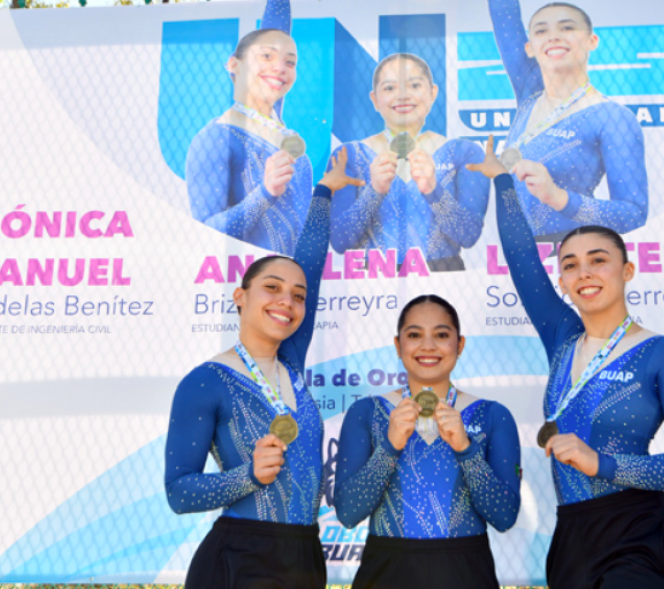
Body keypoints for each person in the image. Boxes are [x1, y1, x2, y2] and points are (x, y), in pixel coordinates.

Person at [467, 137, 664, 589]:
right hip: (573, 538)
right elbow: (521, 258)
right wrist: (502, 181)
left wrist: (602, 463)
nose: (584, 273)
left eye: (598, 261)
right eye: (571, 265)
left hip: (638, 534)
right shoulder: (562, 337)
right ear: (562, 280)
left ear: (627, 270)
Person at [164, 150, 363, 589]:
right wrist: (247, 476)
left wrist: (324, 191)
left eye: (297, 296)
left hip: (305, 556)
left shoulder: (290, 363)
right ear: (241, 296)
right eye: (272, 288)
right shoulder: (206, 381)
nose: (286, 302)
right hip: (240, 557)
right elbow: (179, 491)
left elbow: (310, 264)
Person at [334, 295, 521, 589]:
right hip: (387, 571)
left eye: (442, 335)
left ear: (460, 344)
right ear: (398, 346)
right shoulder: (367, 412)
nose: (428, 346)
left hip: (465, 572)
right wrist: (389, 447)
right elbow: (348, 512)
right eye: (414, 335)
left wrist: (466, 449)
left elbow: (504, 516)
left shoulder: (493, 415)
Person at [488, 0, 648, 241]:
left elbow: (633, 213)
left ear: (592, 41)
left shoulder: (613, 118)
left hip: (571, 251)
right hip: (513, 252)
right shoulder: (530, 95)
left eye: (567, 27)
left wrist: (559, 197)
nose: (553, 36)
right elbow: (503, 13)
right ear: (529, 48)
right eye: (541, 31)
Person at [328, 54, 490, 272]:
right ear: (374, 99)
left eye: (414, 85)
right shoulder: (349, 155)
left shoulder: (464, 153)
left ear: (433, 93)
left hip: (442, 277)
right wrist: (373, 192)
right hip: (372, 282)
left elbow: (468, 235)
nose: (403, 95)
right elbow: (340, 241)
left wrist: (433, 190)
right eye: (389, 88)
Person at [186, 0, 311, 256]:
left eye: (290, 62)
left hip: (299, 275)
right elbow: (206, 233)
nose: (279, 68)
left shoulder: (278, 130)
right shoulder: (217, 137)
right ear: (235, 64)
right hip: (248, 275)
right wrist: (265, 193)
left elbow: (276, 28)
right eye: (266, 56)